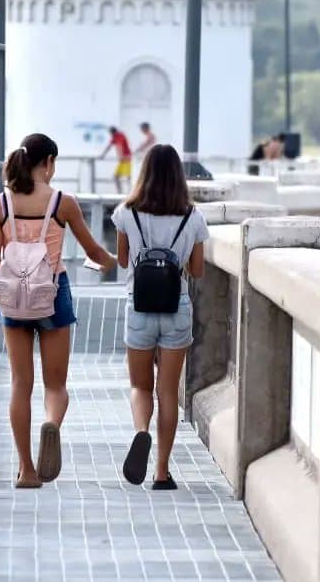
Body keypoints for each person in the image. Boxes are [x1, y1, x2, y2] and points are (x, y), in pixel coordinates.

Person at [0, 133, 116, 488]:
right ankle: (52, 425)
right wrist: (110, 261)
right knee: (55, 385)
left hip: (14, 297)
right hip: (53, 293)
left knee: (19, 384)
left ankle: (27, 470)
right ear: (48, 163)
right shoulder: (64, 202)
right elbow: (93, 251)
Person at [111, 144, 209, 491]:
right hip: (177, 307)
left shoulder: (127, 212)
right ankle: (162, 472)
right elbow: (196, 270)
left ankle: (141, 431)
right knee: (167, 391)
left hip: (138, 307)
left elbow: (122, 261)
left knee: (140, 386)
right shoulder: (193, 216)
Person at [100, 126, 133, 193]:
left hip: (126, 158)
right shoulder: (116, 136)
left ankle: (127, 192)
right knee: (121, 177)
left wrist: (121, 156)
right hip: (125, 158)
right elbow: (109, 146)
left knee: (126, 177)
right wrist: (103, 155)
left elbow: (119, 145)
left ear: (112, 132)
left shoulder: (118, 135)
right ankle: (121, 192)